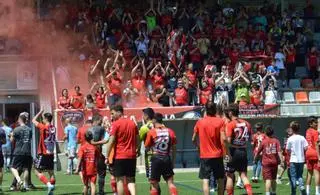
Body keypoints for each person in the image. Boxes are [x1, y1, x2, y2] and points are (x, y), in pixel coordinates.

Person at [192, 102, 227, 195]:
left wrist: (198, 146)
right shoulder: (220, 121)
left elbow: (193, 138)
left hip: (205, 156)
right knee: (220, 179)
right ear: (215, 110)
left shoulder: (200, 121)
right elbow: (223, 139)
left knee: (205, 179)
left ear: (206, 110)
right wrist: (225, 152)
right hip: (218, 155)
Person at [106, 105, 138, 195]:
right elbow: (137, 138)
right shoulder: (132, 123)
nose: (112, 116)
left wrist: (107, 156)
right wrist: (137, 149)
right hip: (131, 156)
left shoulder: (115, 124)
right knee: (130, 180)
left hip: (120, 156)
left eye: (112, 113)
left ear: (119, 112)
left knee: (119, 180)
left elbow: (111, 141)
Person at [145, 113, 178, 195]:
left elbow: (147, 148)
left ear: (154, 120)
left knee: (154, 185)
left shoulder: (152, 132)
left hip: (156, 159)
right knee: (170, 183)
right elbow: (174, 148)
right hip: (166, 158)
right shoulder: (170, 131)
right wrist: (173, 161)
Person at [225, 103, 253, 195]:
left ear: (231, 112)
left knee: (229, 175)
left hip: (233, 151)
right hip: (243, 151)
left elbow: (228, 141)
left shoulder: (230, 124)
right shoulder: (247, 123)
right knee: (243, 175)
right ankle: (250, 193)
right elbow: (250, 139)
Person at [32, 109, 56, 195]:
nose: (42, 120)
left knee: (36, 170)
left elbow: (33, 120)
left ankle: (49, 185)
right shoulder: (53, 128)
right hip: (51, 153)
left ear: (46, 119)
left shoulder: (43, 127)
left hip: (43, 153)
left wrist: (40, 112)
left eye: (43, 118)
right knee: (51, 172)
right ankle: (51, 192)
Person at [255, 126, 284, 195]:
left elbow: (258, 152)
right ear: (273, 133)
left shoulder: (263, 141)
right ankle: (273, 192)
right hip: (274, 162)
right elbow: (279, 151)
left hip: (266, 163)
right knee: (273, 179)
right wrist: (282, 161)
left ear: (265, 133)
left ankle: (268, 193)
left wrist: (255, 159)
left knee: (268, 179)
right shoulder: (276, 141)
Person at [10, 113, 32, 192]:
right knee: (26, 168)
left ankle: (19, 181)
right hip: (27, 151)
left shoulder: (16, 129)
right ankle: (26, 186)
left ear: (20, 119)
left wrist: (11, 135)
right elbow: (29, 138)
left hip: (19, 151)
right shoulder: (29, 129)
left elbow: (12, 141)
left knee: (12, 167)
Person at [286, 121, 308, 195]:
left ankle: (293, 191)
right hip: (301, 160)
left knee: (293, 177)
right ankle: (302, 187)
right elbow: (306, 147)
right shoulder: (302, 138)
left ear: (292, 128)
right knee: (300, 175)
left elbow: (287, 149)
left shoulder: (290, 138)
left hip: (293, 160)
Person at [75, 131, 100, 195]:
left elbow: (79, 158)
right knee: (93, 185)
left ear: (85, 138)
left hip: (85, 169)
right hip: (93, 169)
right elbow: (98, 157)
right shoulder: (95, 147)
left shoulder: (82, 147)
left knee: (85, 185)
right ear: (92, 137)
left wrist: (77, 168)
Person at [88, 114, 107, 195]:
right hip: (98, 153)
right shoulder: (101, 129)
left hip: (88, 154)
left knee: (90, 174)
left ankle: (90, 190)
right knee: (101, 173)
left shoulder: (88, 129)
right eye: (101, 120)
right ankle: (101, 191)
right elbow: (104, 140)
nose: (102, 121)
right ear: (97, 120)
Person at [138, 107, 155, 183]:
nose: (142, 117)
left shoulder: (144, 128)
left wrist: (137, 151)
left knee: (151, 180)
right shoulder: (160, 125)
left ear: (147, 116)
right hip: (161, 154)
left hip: (150, 156)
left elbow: (138, 141)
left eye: (143, 115)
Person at [305, 117, 320, 195]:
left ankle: (307, 192)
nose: (316, 124)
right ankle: (317, 192)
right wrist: (319, 157)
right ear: (310, 124)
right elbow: (317, 145)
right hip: (314, 153)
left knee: (309, 174)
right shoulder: (315, 132)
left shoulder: (307, 131)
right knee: (317, 173)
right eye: (315, 123)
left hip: (308, 153)